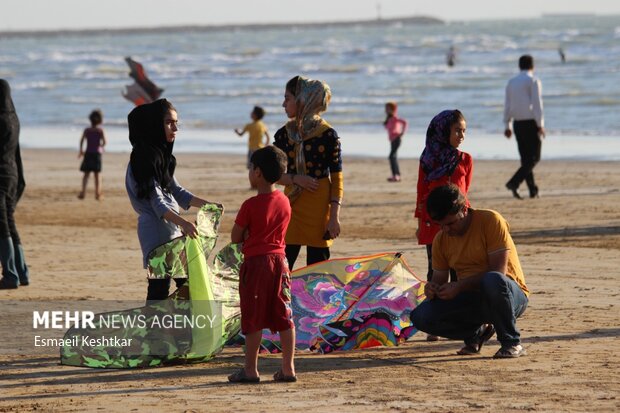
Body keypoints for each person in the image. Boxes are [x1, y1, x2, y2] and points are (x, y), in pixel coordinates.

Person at [410, 184, 529, 358]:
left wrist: (458, 286)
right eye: (440, 225)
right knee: (421, 316)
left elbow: (498, 272)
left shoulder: (490, 220)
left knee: (493, 280)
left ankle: (512, 342)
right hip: (473, 299)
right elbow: (439, 279)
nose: (446, 230)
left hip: (508, 296)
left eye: (450, 223)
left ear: (464, 209)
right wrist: (432, 289)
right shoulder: (441, 240)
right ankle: (475, 334)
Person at [125, 99, 211, 301]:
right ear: (154, 125)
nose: (175, 128)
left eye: (176, 123)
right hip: (156, 234)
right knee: (159, 288)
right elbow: (158, 205)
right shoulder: (143, 161)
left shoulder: (160, 158)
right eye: (169, 123)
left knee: (188, 285)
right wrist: (184, 223)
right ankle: (154, 330)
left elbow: (178, 192)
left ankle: (182, 328)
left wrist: (208, 205)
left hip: (171, 232)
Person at [228, 145, 296, 384]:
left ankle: (250, 369)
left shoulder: (250, 205)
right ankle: (288, 367)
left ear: (257, 172)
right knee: (284, 313)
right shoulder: (285, 201)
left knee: (253, 316)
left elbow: (235, 237)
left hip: (257, 264)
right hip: (281, 261)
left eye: (251, 168)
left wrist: (248, 235)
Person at [414, 110, 473, 341]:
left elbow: (464, 193)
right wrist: (421, 223)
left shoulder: (465, 159)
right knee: (435, 270)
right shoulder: (428, 160)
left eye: (464, 131)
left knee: (460, 271)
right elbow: (421, 192)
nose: (461, 135)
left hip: (459, 224)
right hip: (434, 223)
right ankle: (434, 324)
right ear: (443, 131)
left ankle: (459, 321)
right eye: (457, 130)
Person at [274, 75, 343, 270]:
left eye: (287, 98)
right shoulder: (283, 135)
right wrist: (296, 179)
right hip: (291, 207)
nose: (283, 104)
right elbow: (273, 174)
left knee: (318, 270)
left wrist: (334, 216)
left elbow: (337, 178)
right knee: (283, 266)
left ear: (303, 99)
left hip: (319, 209)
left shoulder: (328, 135)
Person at [0, 79, 29, 289]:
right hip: (13, 175)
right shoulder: (14, 119)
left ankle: (10, 275)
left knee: (2, 226)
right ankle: (22, 272)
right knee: (9, 223)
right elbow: (17, 154)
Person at [504, 54, 545, 199]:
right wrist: (540, 125)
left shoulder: (511, 82)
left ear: (519, 66)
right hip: (530, 124)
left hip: (517, 124)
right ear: (532, 66)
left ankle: (533, 190)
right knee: (535, 158)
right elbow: (537, 105)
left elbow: (507, 105)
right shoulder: (533, 80)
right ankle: (514, 182)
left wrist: (507, 125)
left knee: (526, 159)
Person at [78, 109, 106, 200]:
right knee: (97, 175)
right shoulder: (100, 130)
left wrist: (81, 150)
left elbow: (82, 140)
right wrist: (101, 147)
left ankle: (83, 192)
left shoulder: (87, 130)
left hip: (88, 153)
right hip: (97, 154)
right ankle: (97, 194)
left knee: (86, 174)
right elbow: (104, 142)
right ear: (100, 120)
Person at [234, 106, 270, 171]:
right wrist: (265, 145)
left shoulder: (249, 125)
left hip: (252, 149)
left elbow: (241, 134)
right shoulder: (262, 125)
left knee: (251, 166)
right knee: (259, 166)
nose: (250, 113)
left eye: (252, 112)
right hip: (260, 148)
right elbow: (268, 137)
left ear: (255, 115)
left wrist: (237, 132)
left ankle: (253, 178)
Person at [383, 102, 408, 182]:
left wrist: (403, 132)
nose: (386, 110)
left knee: (391, 156)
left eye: (388, 108)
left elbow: (405, 122)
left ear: (393, 110)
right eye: (386, 108)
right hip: (392, 140)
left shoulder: (394, 118)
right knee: (393, 157)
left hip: (396, 139)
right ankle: (396, 175)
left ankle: (396, 175)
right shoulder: (389, 119)